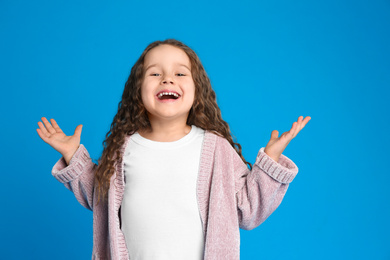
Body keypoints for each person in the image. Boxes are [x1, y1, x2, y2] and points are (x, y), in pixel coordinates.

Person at [37, 39, 311, 260]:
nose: (167, 79)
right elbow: (101, 202)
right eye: (155, 73)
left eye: (180, 73)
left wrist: (270, 161)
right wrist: (74, 157)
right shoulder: (123, 149)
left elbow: (247, 210)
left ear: (197, 92)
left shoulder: (215, 149)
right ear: (138, 90)